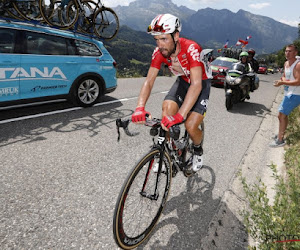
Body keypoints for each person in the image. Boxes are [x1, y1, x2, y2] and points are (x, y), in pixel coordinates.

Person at [131, 14, 212, 174]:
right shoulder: (159, 52)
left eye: (163, 39)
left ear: (176, 36)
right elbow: (149, 81)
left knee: (190, 125)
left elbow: (196, 85)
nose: (160, 45)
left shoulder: (191, 48)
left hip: (200, 83)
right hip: (183, 81)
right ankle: (166, 154)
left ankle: (197, 150)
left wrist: (181, 115)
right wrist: (140, 107)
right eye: (156, 40)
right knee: (167, 109)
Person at [270, 44, 300, 147]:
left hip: (295, 94)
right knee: (284, 115)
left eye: (290, 51)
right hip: (289, 93)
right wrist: (280, 81)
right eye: (286, 51)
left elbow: (298, 82)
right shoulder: (286, 63)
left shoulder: (297, 65)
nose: (287, 53)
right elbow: (284, 76)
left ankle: (280, 140)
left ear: (295, 53)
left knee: (281, 115)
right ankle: (281, 134)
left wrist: (282, 83)